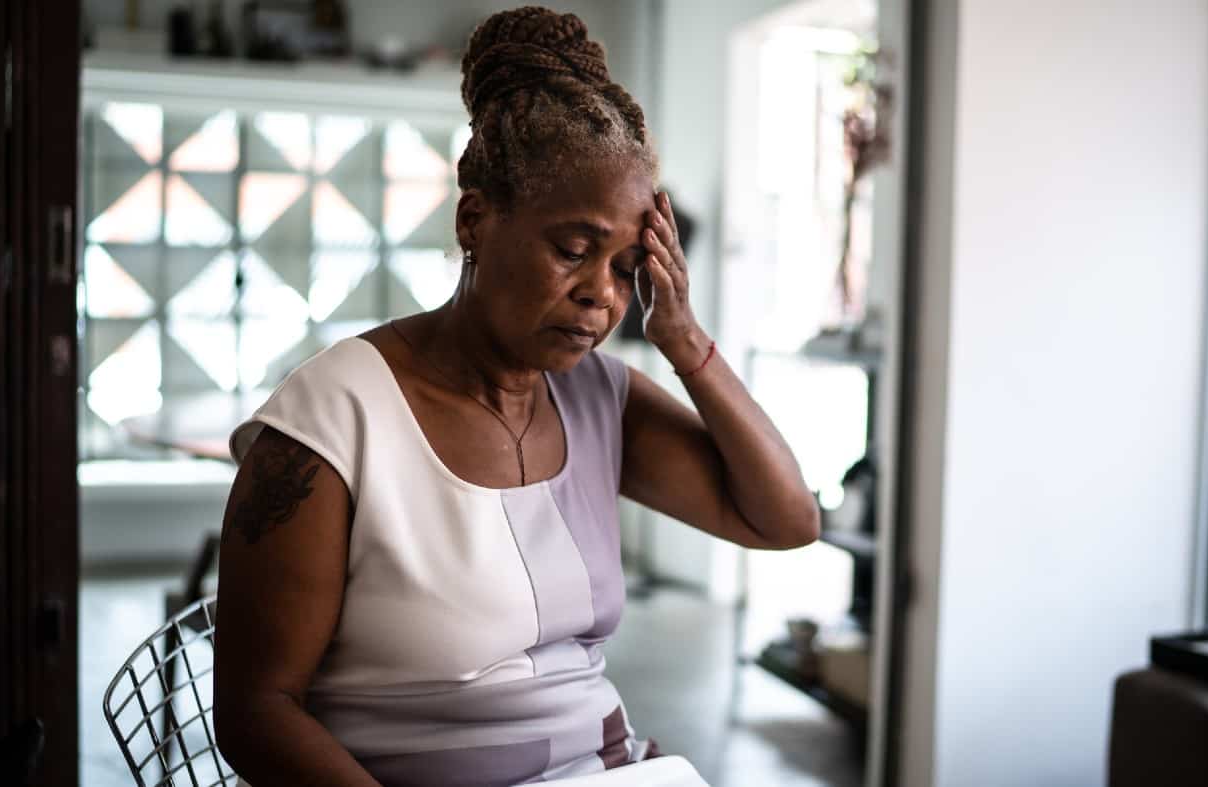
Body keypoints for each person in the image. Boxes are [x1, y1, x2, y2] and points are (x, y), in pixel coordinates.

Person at [213, 6, 819, 786]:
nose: (601, 294)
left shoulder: (598, 396)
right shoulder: (336, 419)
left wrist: (683, 340)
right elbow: (257, 709)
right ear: (475, 221)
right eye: (574, 250)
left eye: (628, 267)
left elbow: (788, 520)